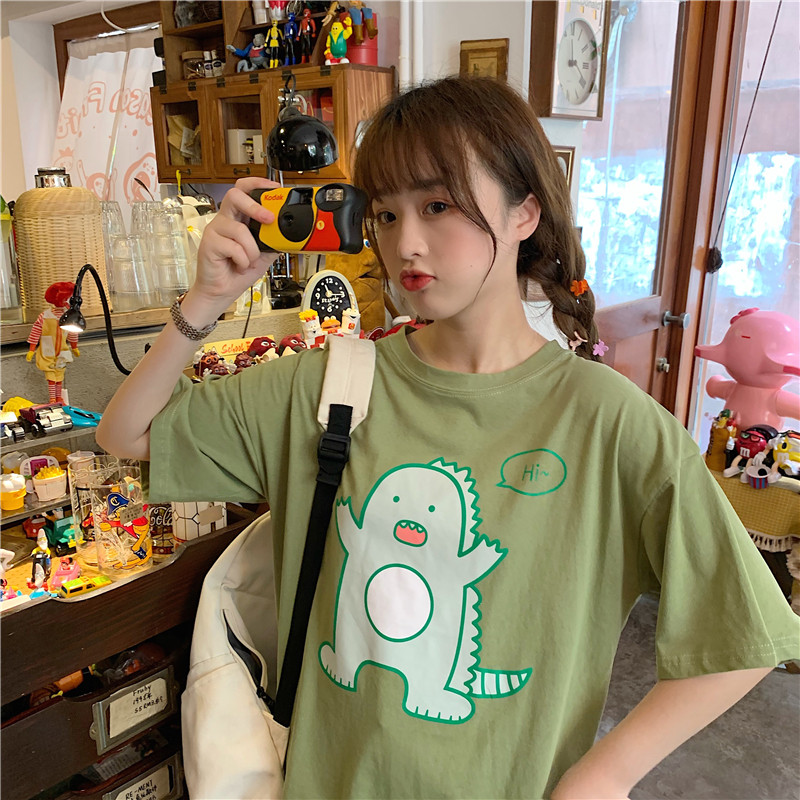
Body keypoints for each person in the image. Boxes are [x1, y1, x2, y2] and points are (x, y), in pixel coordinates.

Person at [97, 77, 799, 799]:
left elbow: (745, 634)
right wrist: (207, 298)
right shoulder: (327, 388)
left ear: (525, 212)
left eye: (437, 205)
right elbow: (128, 433)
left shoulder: (608, 422)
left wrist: (602, 776)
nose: (407, 242)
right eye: (386, 213)